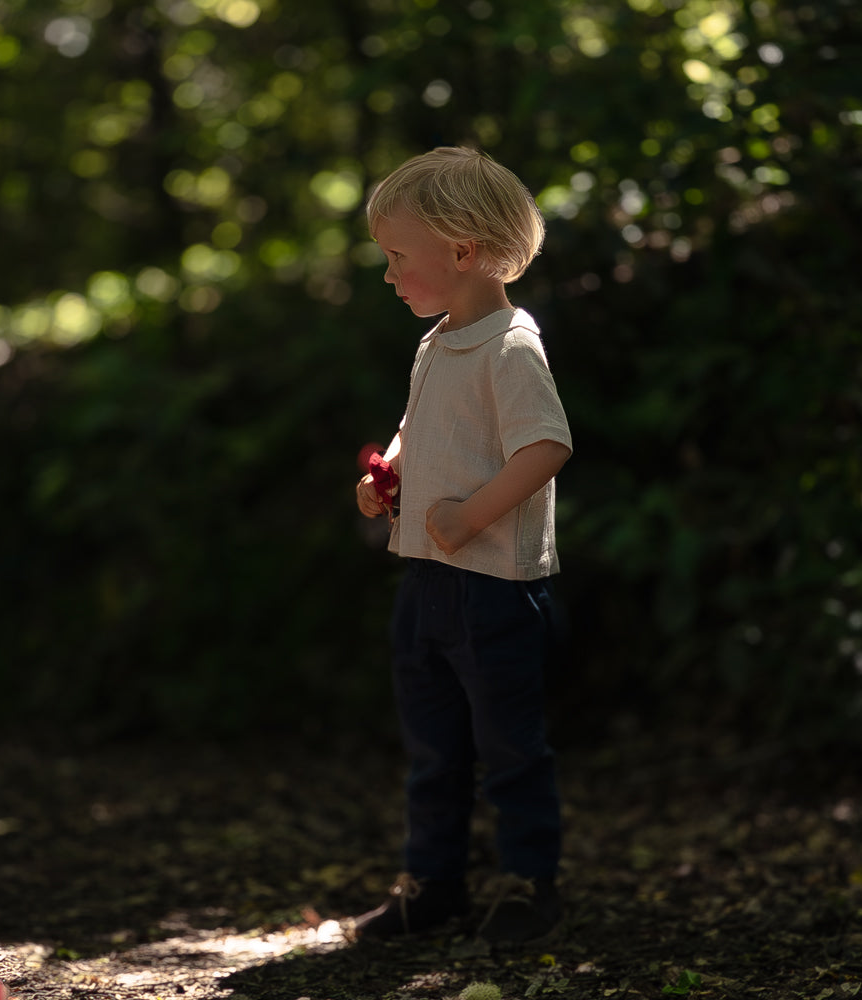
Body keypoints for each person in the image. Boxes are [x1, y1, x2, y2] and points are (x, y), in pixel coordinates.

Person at [353, 146, 572, 946]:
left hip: (494, 585)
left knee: (510, 745)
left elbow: (545, 447)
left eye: (398, 257)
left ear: (462, 251)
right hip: (427, 580)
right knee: (433, 747)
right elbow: (424, 428)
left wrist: (473, 514)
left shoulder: (511, 345)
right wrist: (393, 477)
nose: (389, 275)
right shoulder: (438, 342)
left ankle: (528, 883)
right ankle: (433, 883)